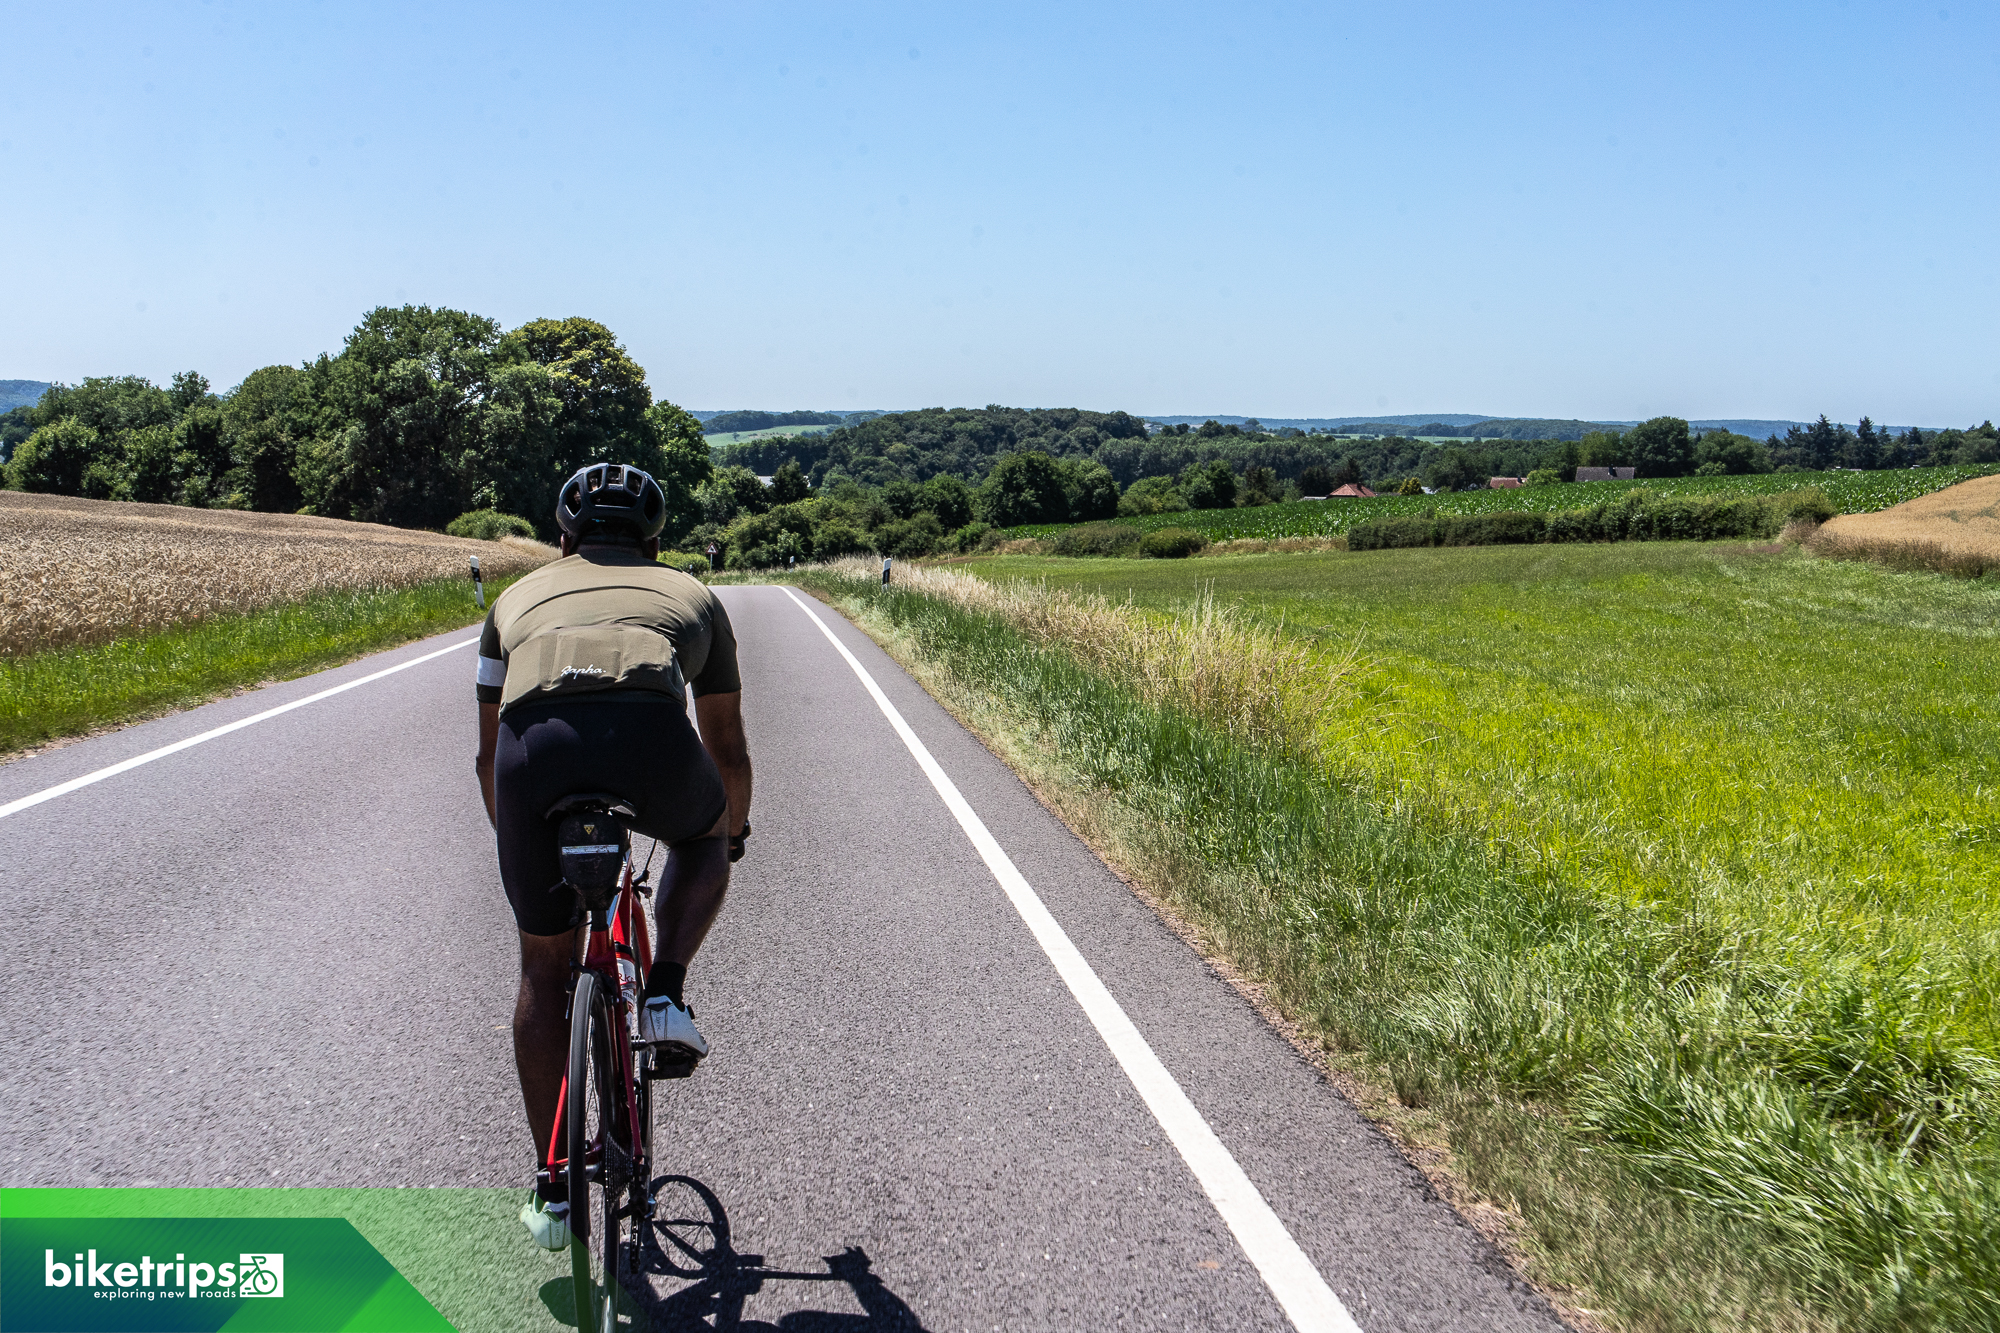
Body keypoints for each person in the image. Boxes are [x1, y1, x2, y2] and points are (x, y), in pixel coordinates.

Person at [472, 463, 753, 1251]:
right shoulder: (695, 595)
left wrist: (521, 846)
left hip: (534, 759)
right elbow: (726, 744)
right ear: (655, 539)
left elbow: (488, 746)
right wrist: (726, 837)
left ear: (562, 537)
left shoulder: (510, 601)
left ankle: (552, 1186)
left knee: (542, 972)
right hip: (649, 739)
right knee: (702, 832)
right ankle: (664, 992)